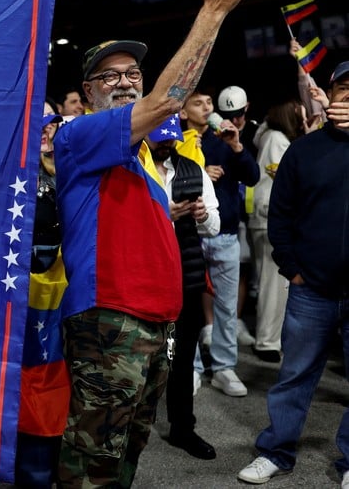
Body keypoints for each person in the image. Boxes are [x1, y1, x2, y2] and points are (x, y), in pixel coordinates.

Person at [53, 0, 250, 487]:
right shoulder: (79, 135)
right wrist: (214, 11)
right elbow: (167, 101)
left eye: (132, 74)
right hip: (111, 320)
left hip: (153, 323)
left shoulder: (139, 155)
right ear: (87, 91)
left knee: (128, 450)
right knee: (93, 462)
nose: (124, 81)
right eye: (109, 75)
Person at [237, 61, 349, 485]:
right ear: (329, 94)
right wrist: (293, 269)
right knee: (294, 377)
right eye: (343, 88)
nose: (348, 96)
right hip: (312, 290)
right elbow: (280, 215)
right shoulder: (303, 149)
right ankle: (276, 451)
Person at [144, 115, 220, 461]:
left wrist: (202, 215)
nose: (166, 145)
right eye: (160, 138)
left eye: (170, 139)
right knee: (139, 356)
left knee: (182, 357)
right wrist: (163, 215)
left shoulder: (192, 169)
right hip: (143, 276)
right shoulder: (134, 168)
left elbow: (215, 228)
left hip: (185, 277)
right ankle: (130, 427)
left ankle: (182, 428)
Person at [181, 89, 259, 397]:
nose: (206, 107)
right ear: (183, 111)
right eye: (197, 103)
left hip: (225, 234)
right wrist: (200, 172)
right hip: (189, 236)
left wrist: (237, 146)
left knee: (227, 307)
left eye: (208, 103)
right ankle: (193, 367)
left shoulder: (224, 139)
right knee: (190, 309)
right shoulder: (175, 143)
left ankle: (224, 367)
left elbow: (252, 177)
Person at [15, 113, 68, 488]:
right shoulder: (11, 173)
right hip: (17, 287)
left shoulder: (68, 170)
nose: (47, 128)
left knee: (54, 377)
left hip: (64, 287)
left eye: (53, 122)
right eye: (40, 120)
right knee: (22, 376)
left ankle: (47, 465)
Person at [248, 99, 308, 363]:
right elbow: (285, 175)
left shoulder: (271, 135)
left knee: (273, 284)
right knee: (272, 285)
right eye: (299, 114)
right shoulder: (274, 138)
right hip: (268, 216)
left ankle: (271, 338)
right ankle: (266, 342)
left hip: (265, 215)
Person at [214, 85, 258, 349]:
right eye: (230, 114)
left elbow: (253, 175)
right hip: (219, 216)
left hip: (243, 211)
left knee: (242, 271)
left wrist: (239, 146)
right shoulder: (215, 136)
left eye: (240, 113)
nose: (236, 119)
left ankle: (237, 321)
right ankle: (209, 328)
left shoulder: (252, 131)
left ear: (247, 109)